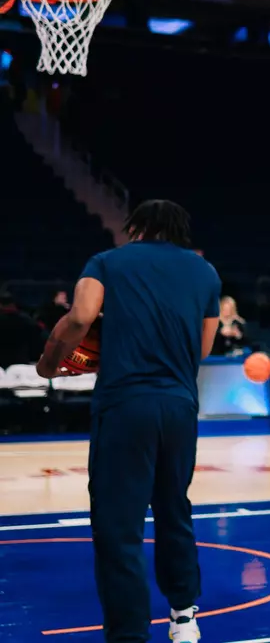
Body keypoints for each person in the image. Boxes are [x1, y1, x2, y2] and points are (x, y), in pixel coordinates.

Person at [35, 199, 221, 643]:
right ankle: (184, 619)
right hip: (179, 405)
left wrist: (49, 362)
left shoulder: (106, 261)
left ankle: (130, 636)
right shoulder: (205, 272)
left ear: (135, 228)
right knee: (174, 509)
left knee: (120, 526)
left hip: (125, 405)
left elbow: (80, 317)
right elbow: (204, 350)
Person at [0, 286, 45, 368]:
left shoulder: (26, 320)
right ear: (13, 304)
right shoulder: (27, 320)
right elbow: (39, 340)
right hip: (20, 363)